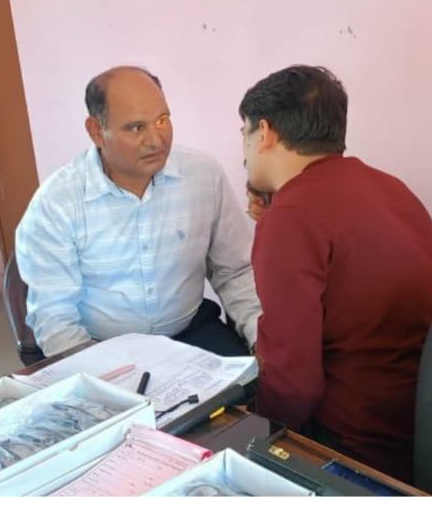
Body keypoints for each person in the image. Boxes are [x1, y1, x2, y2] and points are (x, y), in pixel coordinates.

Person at [240, 66, 432, 484]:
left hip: (358, 447)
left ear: (264, 132)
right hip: (431, 426)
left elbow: (293, 387)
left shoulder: (291, 219)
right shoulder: (388, 185)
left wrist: (249, 431)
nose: (244, 153)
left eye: (244, 134)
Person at [13, 66, 261, 359]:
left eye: (162, 120)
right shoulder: (57, 203)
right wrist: (105, 374)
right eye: (136, 128)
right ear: (96, 131)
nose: (156, 140)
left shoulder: (203, 175)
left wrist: (261, 339)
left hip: (190, 332)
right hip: (98, 346)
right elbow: (55, 318)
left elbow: (235, 271)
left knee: (252, 384)